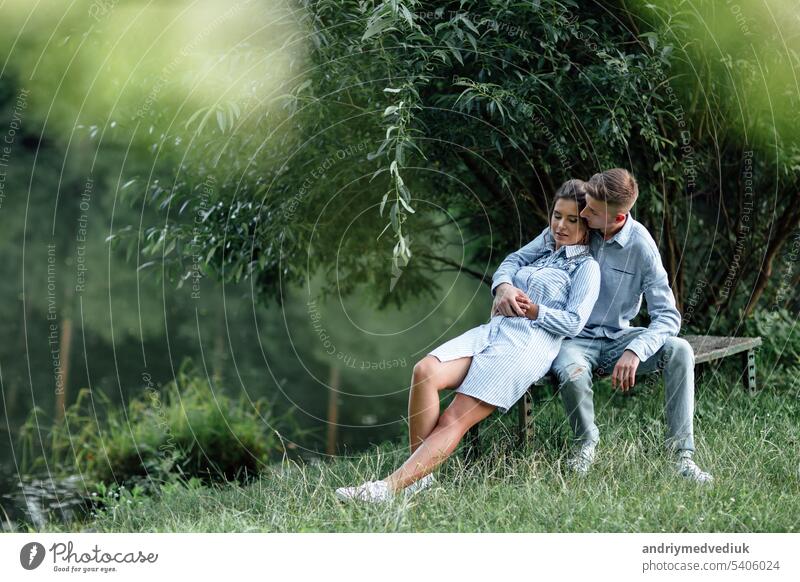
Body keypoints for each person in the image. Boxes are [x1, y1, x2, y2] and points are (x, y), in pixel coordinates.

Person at [335, 180, 601, 503]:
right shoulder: (547, 242)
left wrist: (535, 311)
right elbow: (510, 263)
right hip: (494, 331)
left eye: (572, 220)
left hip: (527, 347)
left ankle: (386, 489)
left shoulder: (586, 267)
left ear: (586, 224)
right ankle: (420, 478)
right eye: (557, 215)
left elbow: (574, 321)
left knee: (454, 418)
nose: (560, 226)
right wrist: (502, 287)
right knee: (425, 371)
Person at [495, 168, 713, 483]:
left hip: (618, 337)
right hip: (571, 338)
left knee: (679, 350)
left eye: (592, 211)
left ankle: (682, 458)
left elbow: (668, 316)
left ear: (617, 217)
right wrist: (503, 287)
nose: (582, 213)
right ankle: (585, 446)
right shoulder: (575, 226)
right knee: (572, 372)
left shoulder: (641, 246)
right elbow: (514, 260)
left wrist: (636, 350)